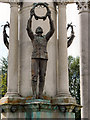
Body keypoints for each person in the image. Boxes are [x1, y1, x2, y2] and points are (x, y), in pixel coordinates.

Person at [26, 8, 54, 99]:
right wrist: (31, 16)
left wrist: (50, 17)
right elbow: (28, 28)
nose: (39, 28)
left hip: (44, 57)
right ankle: (34, 94)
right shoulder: (33, 37)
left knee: (42, 76)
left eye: (40, 29)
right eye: (38, 29)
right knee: (34, 76)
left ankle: (40, 94)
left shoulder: (45, 38)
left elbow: (52, 30)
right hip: (35, 57)